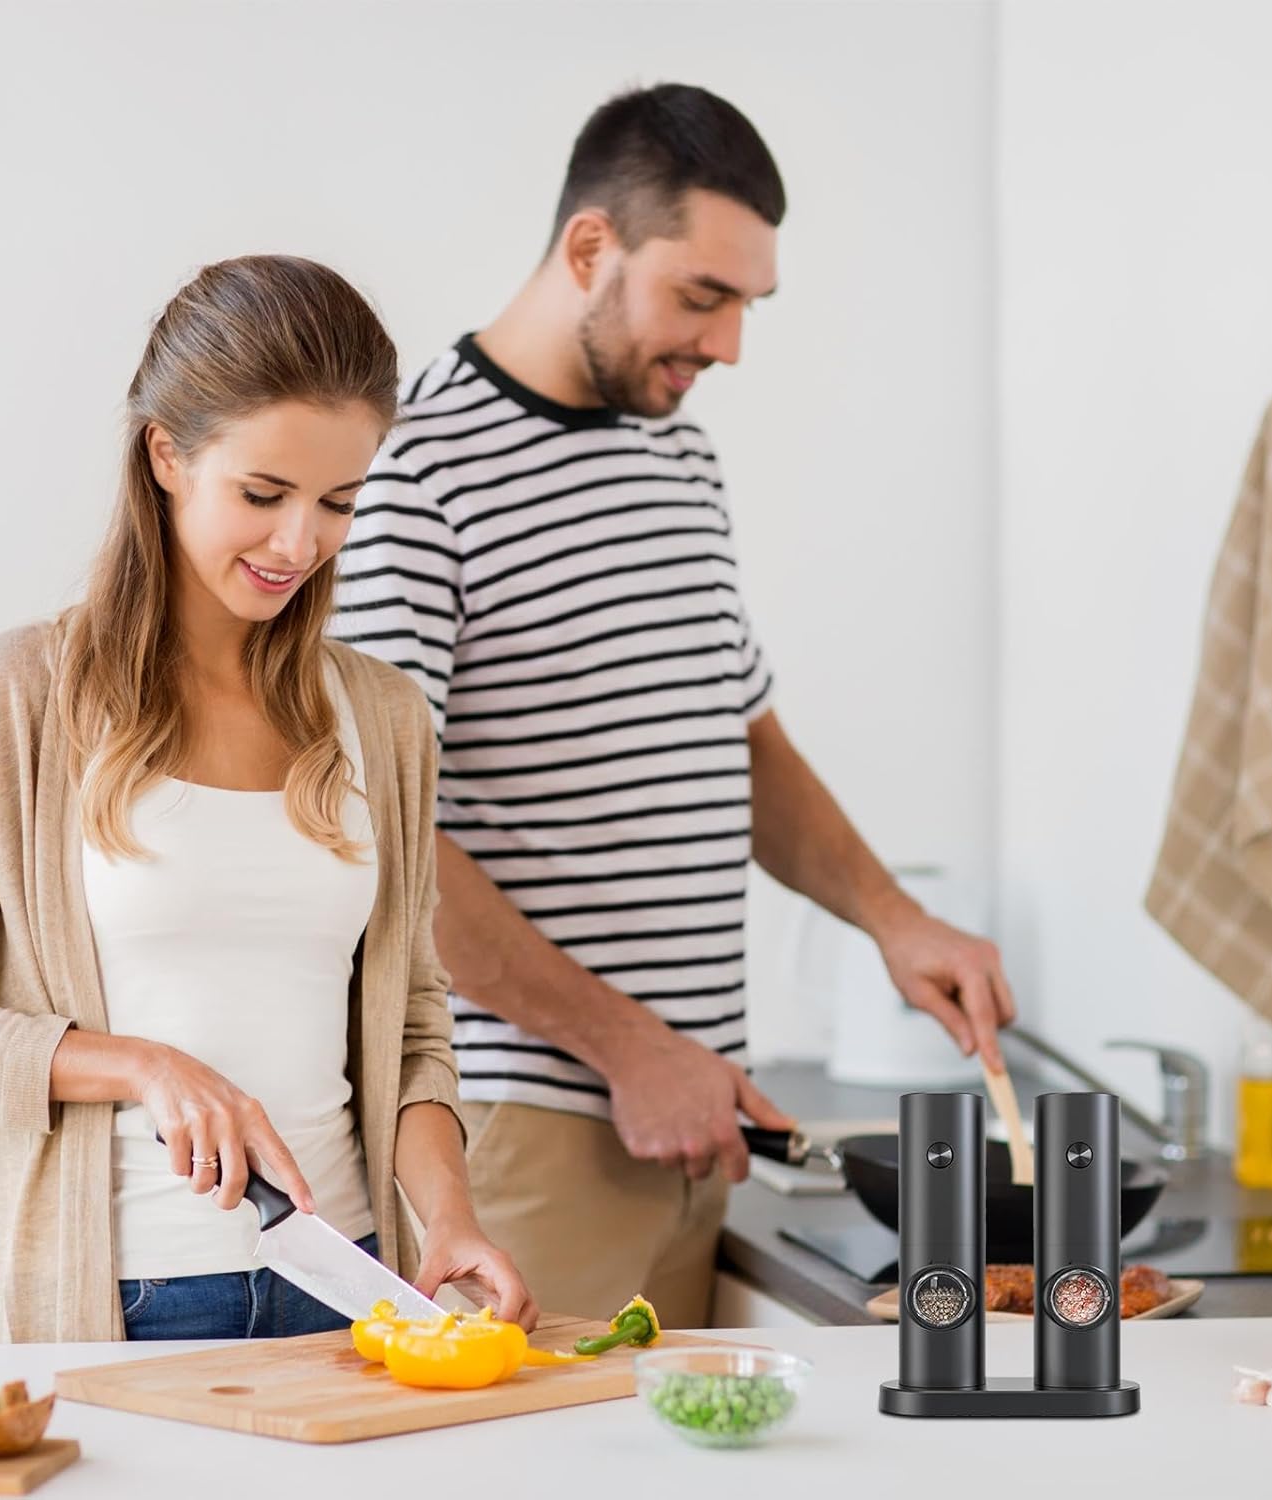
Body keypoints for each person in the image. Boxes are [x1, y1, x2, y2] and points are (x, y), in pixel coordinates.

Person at [332, 85, 1014, 1326]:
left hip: (692, 1116)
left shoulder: (677, 456)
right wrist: (629, 1052)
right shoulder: (411, 472)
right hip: (528, 1130)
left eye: (747, 305)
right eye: (703, 297)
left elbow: (737, 743)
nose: (729, 346)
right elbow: (384, 848)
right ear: (591, 247)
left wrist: (895, 922)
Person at [0, 255, 534, 1342]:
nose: (302, 544)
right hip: (124, 1299)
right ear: (165, 455)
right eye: (264, 494)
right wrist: (142, 1067)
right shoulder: (11, 701)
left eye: (339, 501)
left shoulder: (380, 718)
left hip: (352, 1284)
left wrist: (451, 1212)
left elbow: (414, 1023)